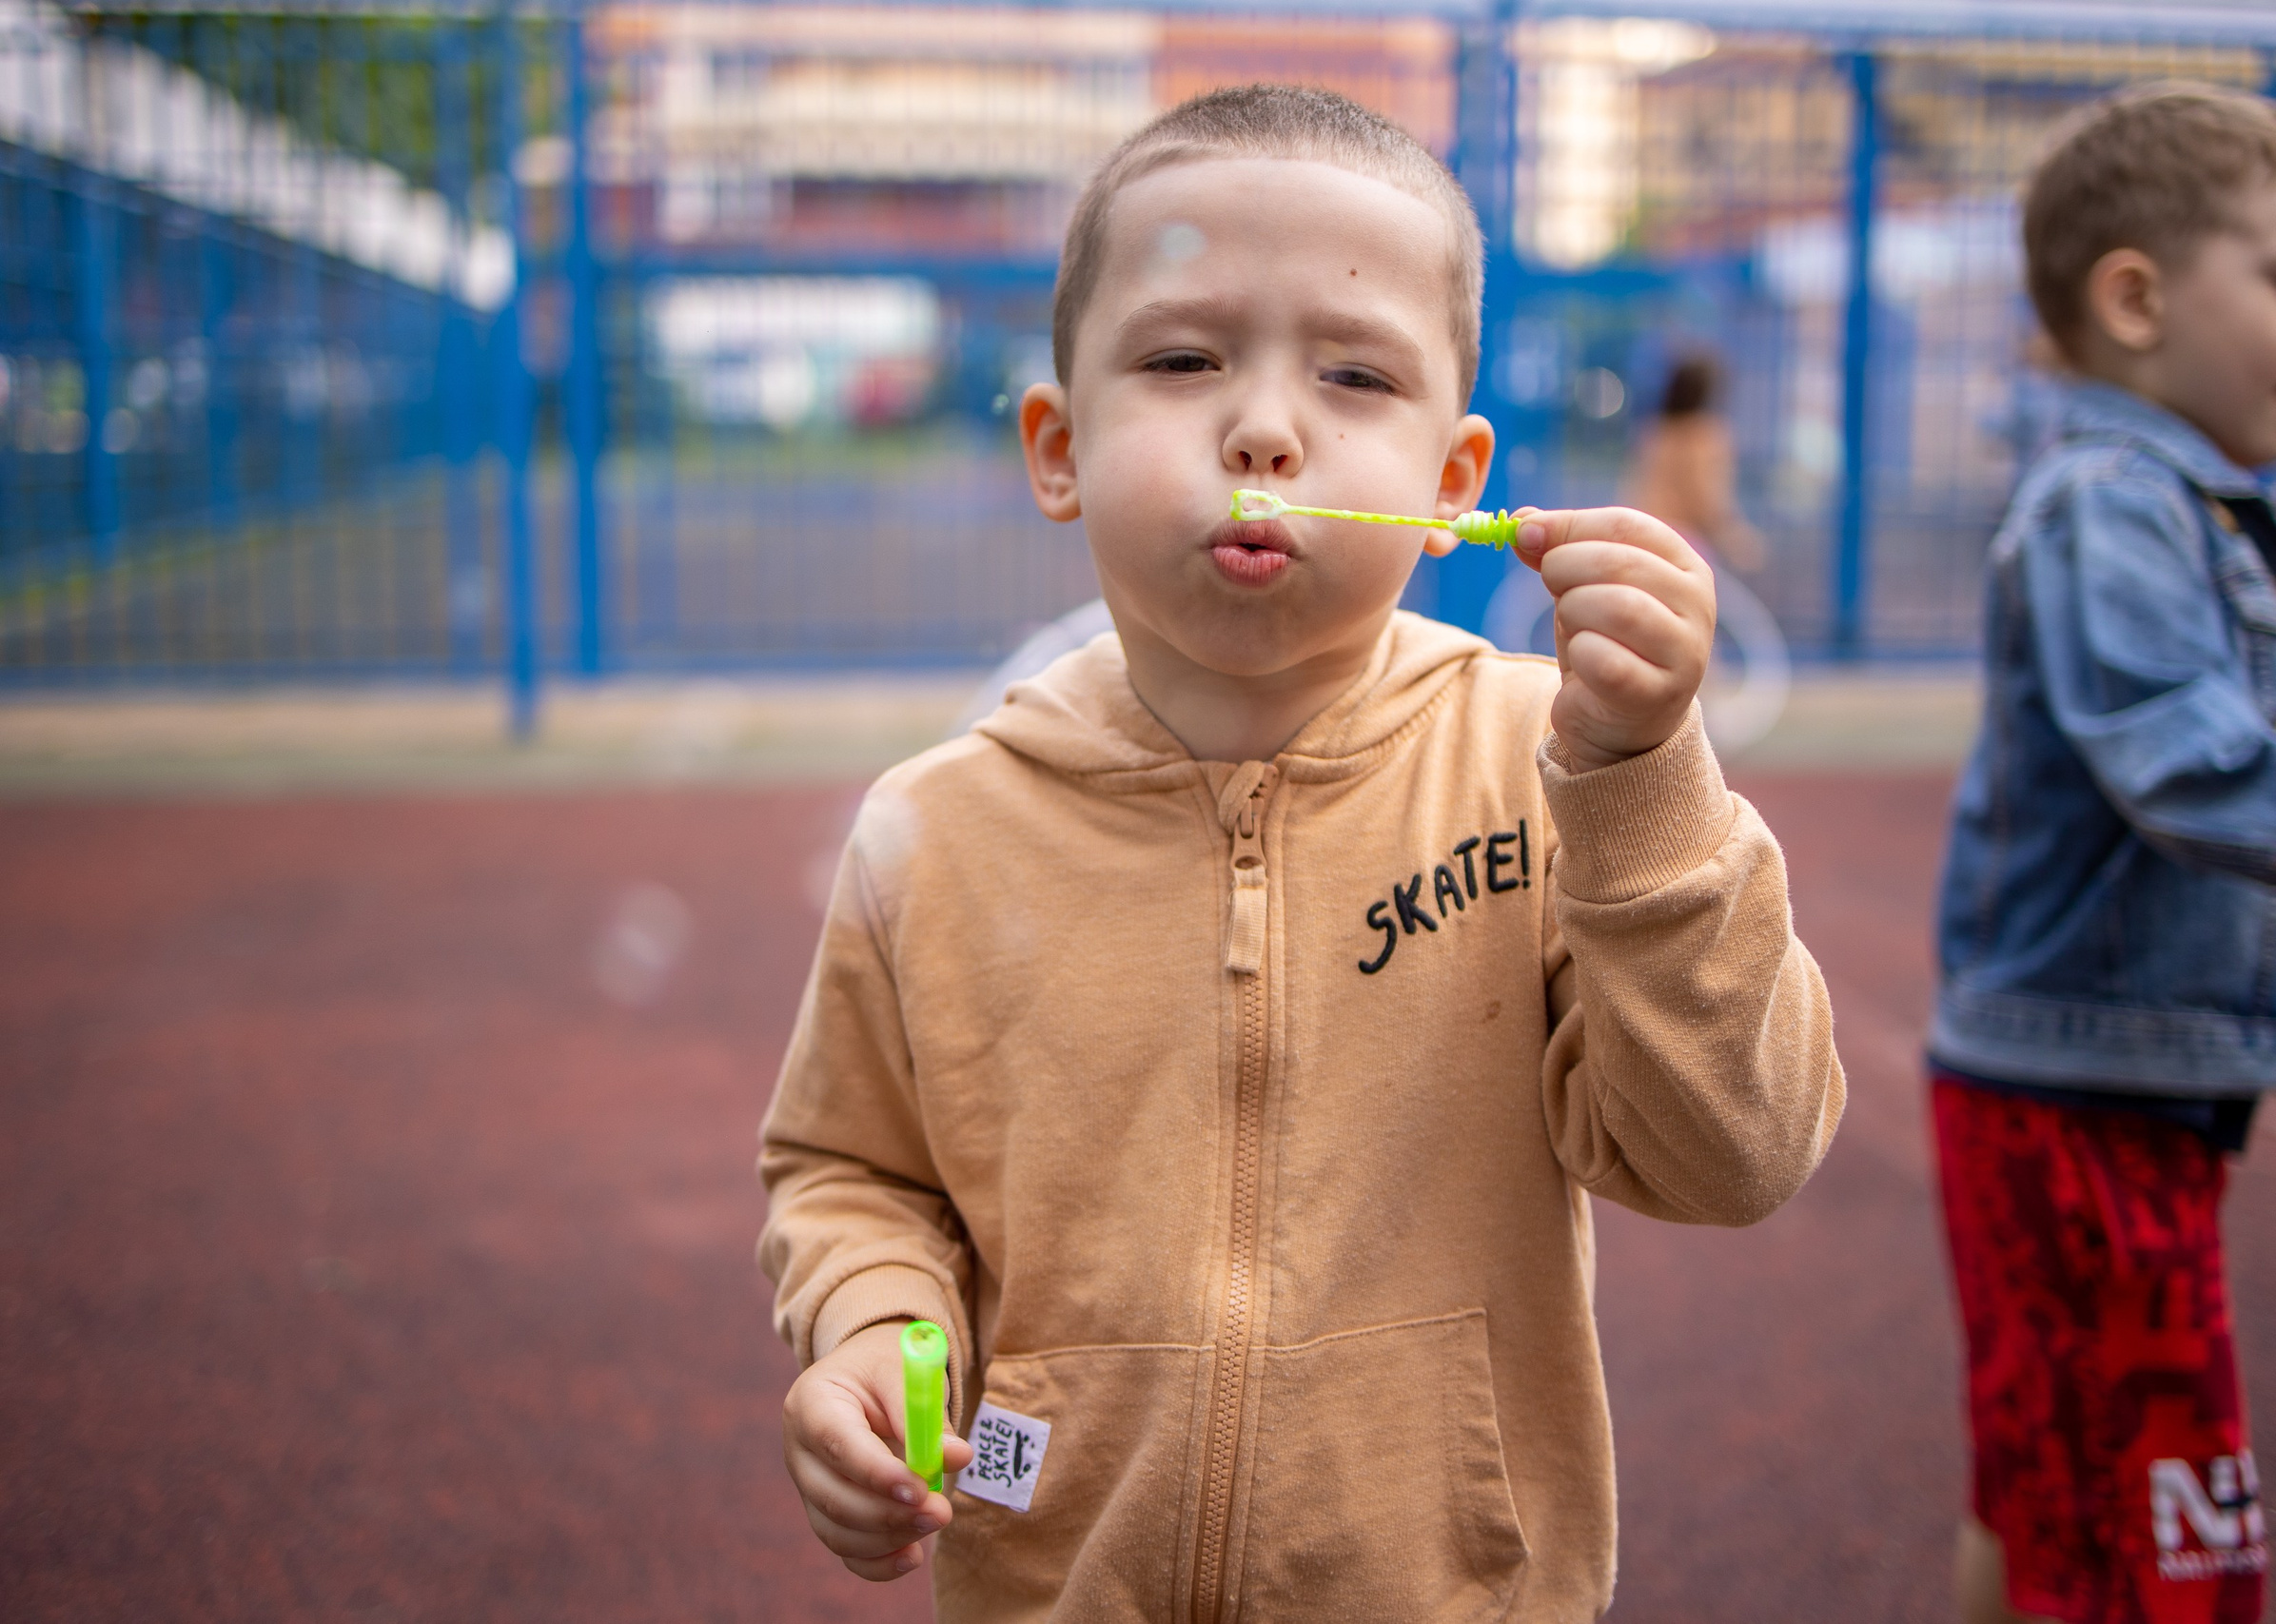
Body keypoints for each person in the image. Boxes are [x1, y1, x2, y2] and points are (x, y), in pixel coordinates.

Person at [757, 84, 1846, 1619]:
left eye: (1353, 372)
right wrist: (870, 1325)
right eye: (1185, 357)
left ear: (1453, 487)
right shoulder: (936, 830)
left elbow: (1739, 1157)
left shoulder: (1555, 777)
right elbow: (851, 1167)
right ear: (1058, 448)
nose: (1266, 425)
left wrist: (1646, 785)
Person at [1929, 83, 2276, 1624]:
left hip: (2105, 1085)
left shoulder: (2180, 508)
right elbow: (2182, 752)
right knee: (2167, 1547)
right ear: (2137, 298)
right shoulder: (2112, 504)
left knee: (2049, 1488)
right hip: (2075, 1098)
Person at [1622, 353, 1767, 577]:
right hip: (1683, 543)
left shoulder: (1655, 431)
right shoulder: (1706, 436)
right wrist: (1737, 539)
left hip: (1645, 536)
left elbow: (1636, 488)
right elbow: (1706, 498)